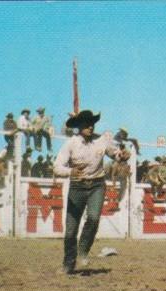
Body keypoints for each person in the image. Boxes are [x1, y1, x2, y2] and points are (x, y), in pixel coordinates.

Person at [54, 110, 130, 274]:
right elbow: (57, 167)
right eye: (86, 123)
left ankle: (83, 252)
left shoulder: (101, 140)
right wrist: (71, 172)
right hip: (77, 186)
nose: (90, 126)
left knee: (94, 217)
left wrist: (123, 156)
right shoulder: (70, 143)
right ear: (78, 126)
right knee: (70, 230)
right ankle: (68, 263)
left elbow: (115, 154)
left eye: (92, 123)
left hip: (97, 184)